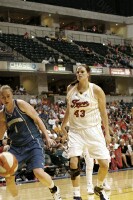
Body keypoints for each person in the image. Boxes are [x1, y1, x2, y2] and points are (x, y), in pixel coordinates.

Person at [0, 85, 62, 200]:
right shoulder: (2, 114)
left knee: (38, 172)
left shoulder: (21, 104)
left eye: (8, 96)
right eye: (3, 97)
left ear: (12, 95)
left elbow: (38, 119)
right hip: (16, 147)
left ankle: (54, 189)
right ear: (0, 99)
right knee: (9, 177)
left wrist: (47, 137)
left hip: (33, 142)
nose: (6, 99)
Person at [61, 64, 111, 200]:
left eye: (82, 71)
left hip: (93, 130)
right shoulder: (70, 89)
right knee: (73, 163)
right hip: (76, 131)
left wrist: (107, 133)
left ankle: (99, 188)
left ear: (88, 73)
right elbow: (68, 109)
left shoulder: (96, 90)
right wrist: (63, 125)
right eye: (77, 72)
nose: (79, 74)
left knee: (105, 164)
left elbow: (103, 113)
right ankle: (76, 194)